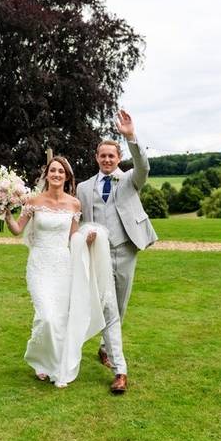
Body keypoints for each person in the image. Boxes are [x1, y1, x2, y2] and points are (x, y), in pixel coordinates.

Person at [4, 156, 112, 388]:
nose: (56, 174)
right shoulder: (33, 201)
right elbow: (17, 230)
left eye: (61, 172)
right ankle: (39, 360)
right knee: (46, 316)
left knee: (58, 318)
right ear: (46, 175)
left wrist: (86, 238)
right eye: (53, 171)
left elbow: (73, 235)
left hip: (62, 266)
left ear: (67, 177)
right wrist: (7, 214)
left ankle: (49, 364)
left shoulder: (74, 204)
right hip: (40, 264)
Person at [77, 109, 158, 394]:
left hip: (125, 249)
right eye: (103, 156)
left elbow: (144, 167)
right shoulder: (84, 188)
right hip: (97, 254)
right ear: (97, 158)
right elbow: (80, 220)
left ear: (119, 158)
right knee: (108, 306)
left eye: (112, 156)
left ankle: (104, 346)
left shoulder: (130, 180)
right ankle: (119, 370)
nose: (108, 160)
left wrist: (131, 136)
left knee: (119, 305)